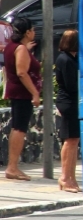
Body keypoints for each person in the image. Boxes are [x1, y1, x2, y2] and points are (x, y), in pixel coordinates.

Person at [3, 17, 40, 181]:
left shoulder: (13, 47)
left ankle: (13, 166)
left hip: (16, 92)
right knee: (20, 128)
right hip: (22, 93)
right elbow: (22, 72)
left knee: (16, 127)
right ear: (27, 32)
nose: (34, 32)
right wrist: (35, 93)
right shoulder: (20, 49)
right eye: (32, 29)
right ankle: (12, 167)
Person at [54, 29, 80, 193]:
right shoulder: (66, 60)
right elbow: (71, 84)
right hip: (68, 101)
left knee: (74, 140)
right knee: (69, 140)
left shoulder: (72, 59)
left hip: (73, 101)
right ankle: (65, 177)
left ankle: (71, 176)